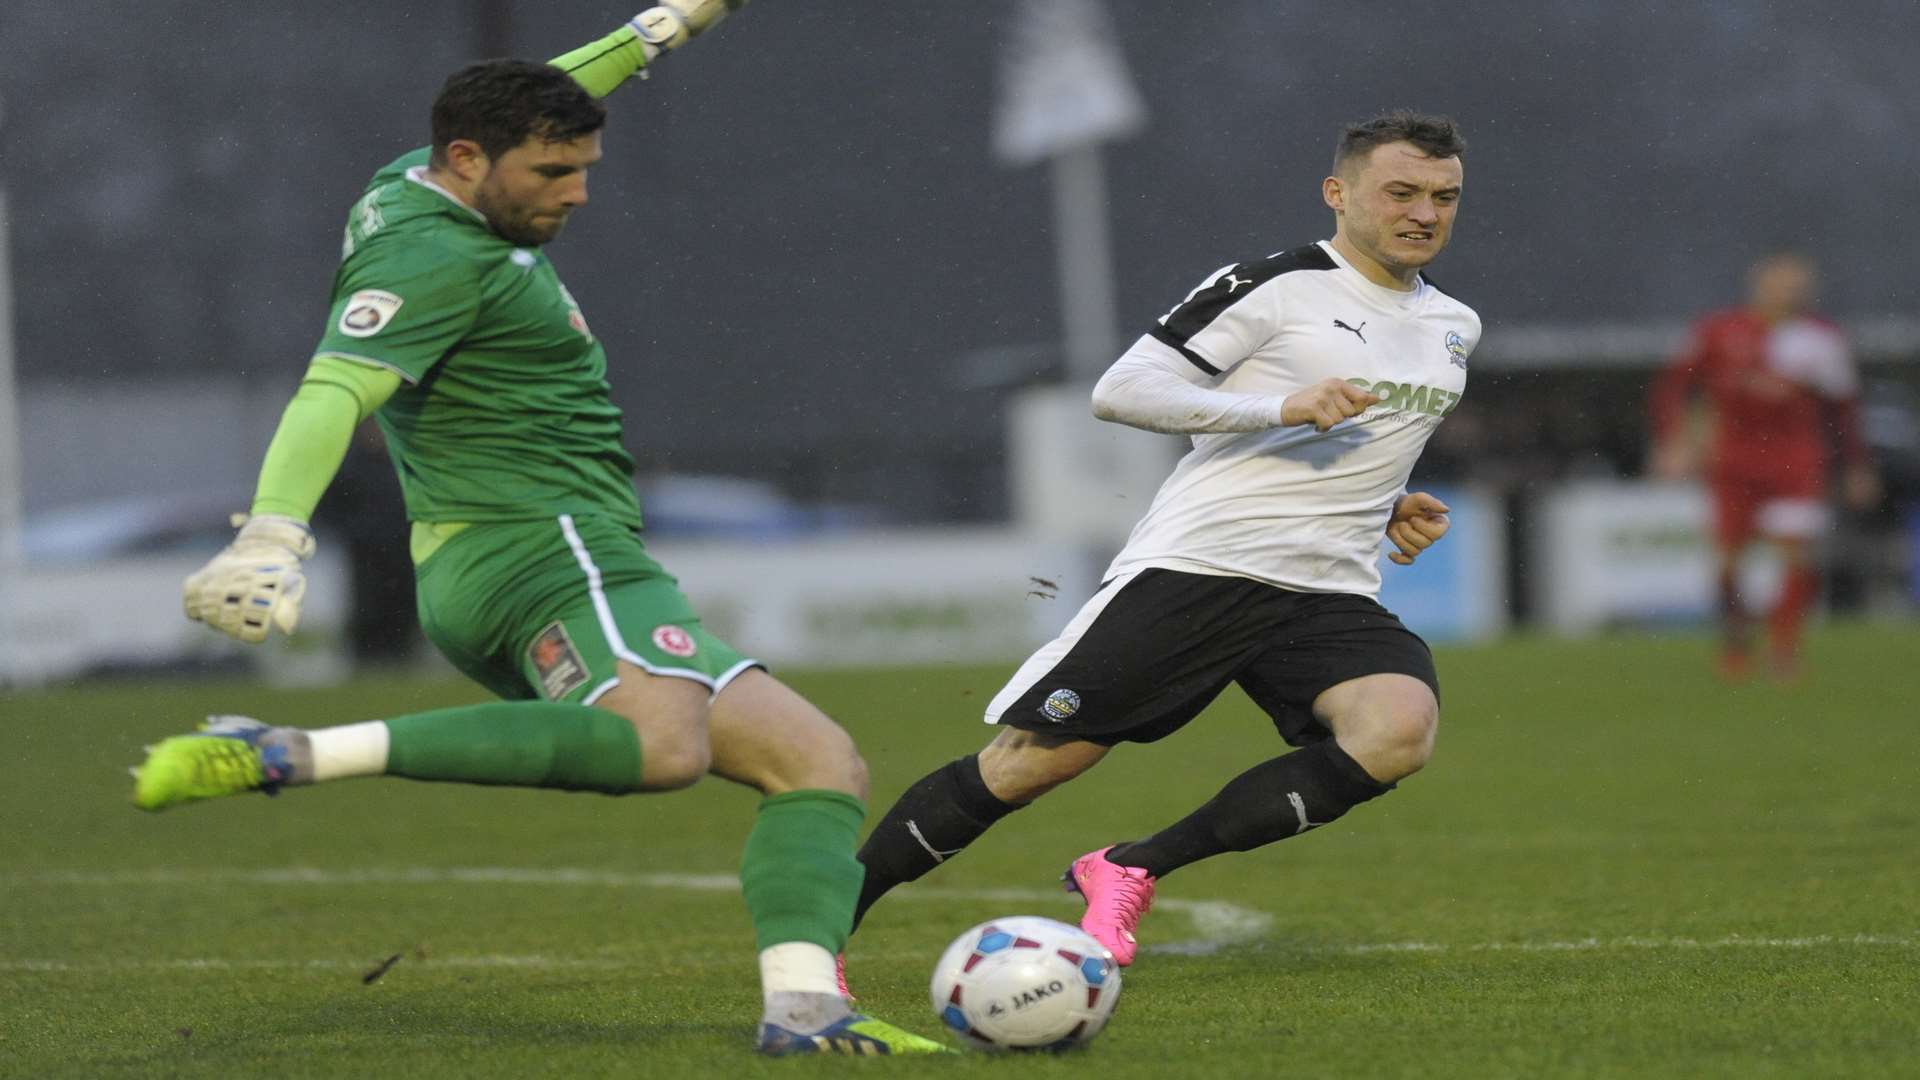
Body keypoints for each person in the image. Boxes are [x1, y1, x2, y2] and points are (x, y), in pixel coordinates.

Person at [129, 5, 947, 1057]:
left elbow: (561, 76)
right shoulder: (431, 261)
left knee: (817, 763)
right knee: (664, 750)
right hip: (549, 548)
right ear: (469, 161)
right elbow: (333, 389)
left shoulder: (412, 178)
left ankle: (804, 1010)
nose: (577, 192)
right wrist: (273, 532)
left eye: (583, 164)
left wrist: (674, 23)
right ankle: (287, 752)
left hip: (502, 558)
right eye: (554, 173)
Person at [847, 111, 1477, 973]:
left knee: (1397, 729)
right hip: (1202, 570)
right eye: (1400, 192)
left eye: (1444, 196)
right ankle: (817, 933)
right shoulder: (1276, 286)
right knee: (1028, 767)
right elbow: (1123, 389)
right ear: (1339, 194)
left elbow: (1350, 438)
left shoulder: (1454, 326)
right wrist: (1276, 408)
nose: (1424, 213)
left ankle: (1129, 867)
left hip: (1328, 588)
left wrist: (1386, 500)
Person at [1649, 252, 1878, 680]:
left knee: (1796, 552)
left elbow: (1843, 407)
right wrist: (1674, 441)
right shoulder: (1719, 329)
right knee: (1729, 560)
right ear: (1759, 285)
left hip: (1795, 459)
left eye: (1799, 285)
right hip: (1734, 458)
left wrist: (1856, 465)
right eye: (1782, 283)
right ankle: (1737, 637)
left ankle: (1784, 648)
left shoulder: (1820, 337)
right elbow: (1676, 385)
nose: (1791, 292)